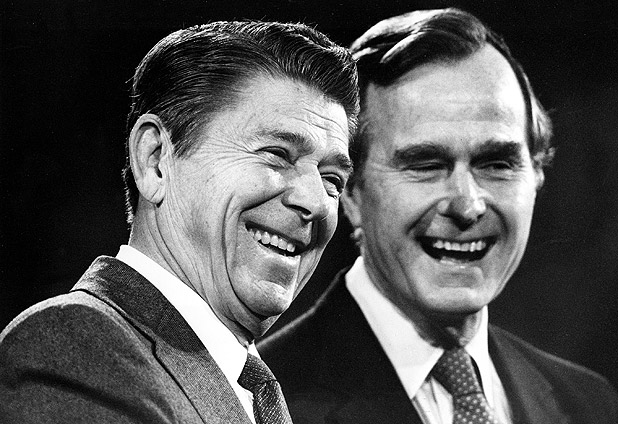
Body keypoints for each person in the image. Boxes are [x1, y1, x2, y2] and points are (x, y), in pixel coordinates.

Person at [259, 8, 618, 424]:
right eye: (426, 165)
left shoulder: (589, 402)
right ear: (350, 191)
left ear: (537, 173)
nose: (467, 206)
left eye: (496, 164)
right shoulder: (262, 404)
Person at [0, 20, 359, 423]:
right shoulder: (76, 351)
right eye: (277, 154)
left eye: (332, 180)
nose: (316, 202)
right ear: (155, 160)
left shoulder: (246, 386)